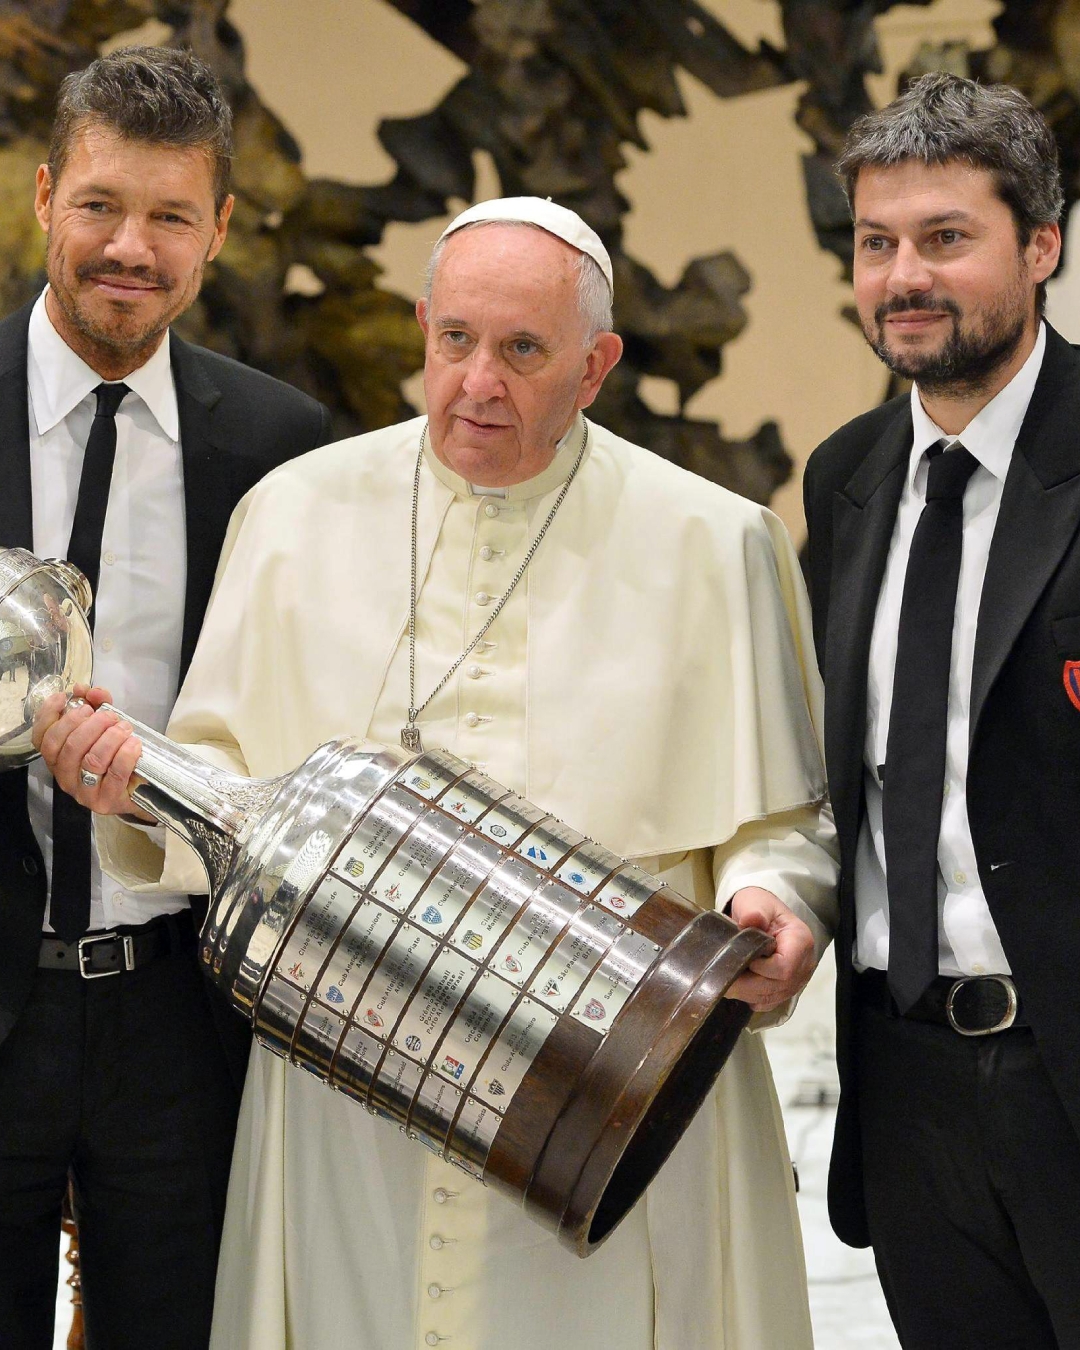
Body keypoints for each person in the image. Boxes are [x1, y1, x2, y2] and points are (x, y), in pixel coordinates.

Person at [40, 196, 838, 1350]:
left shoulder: (713, 543)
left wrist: (772, 901)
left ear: (597, 365)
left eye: (524, 351)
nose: (478, 386)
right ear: (423, 326)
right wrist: (140, 780)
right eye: (454, 340)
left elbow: (780, 821)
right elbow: (220, 771)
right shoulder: (293, 516)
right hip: (345, 1086)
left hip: (603, 1085)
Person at [0, 45, 330, 1350]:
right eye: (100, 206)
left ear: (221, 231)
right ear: (42, 197)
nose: (129, 246)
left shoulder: (280, 447)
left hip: (181, 1007)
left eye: (170, 216)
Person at [803, 71, 1080, 1348]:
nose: (903, 275)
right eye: (877, 243)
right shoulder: (848, 479)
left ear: (1042, 243)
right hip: (906, 1083)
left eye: (945, 239)